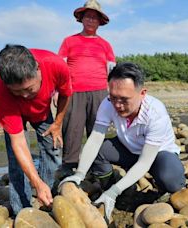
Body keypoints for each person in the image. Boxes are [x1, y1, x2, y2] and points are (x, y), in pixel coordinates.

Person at [59, 62, 185, 221]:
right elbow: (95, 138)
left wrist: (114, 191)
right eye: (113, 97)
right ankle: (112, 186)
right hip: (127, 150)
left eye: (124, 99)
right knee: (97, 150)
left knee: (172, 181)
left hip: (157, 154)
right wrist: (79, 174)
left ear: (142, 93)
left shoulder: (156, 113)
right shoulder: (108, 103)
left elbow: (145, 161)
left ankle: (127, 190)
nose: (117, 105)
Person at [0, 44, 71, 214]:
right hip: (8, 107)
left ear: (38, 70)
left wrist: (57, 124)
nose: (24, 96)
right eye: (17, 91)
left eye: (29, 89)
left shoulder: (56, 65)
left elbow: (66, 93)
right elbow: (19, 143)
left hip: (41, 108)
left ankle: (48, 196)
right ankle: (22, 210)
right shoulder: (1, 91)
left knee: (53, 147)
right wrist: (35, 183)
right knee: (16, 160)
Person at [58, 0, 116, 172]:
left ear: (99, 22)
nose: (91, 20)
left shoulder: (105, 44)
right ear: (81, 19)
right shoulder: (69, 41)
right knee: (72, 130)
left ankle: (97, 165)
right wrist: (57, 91)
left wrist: (113, 92)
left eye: (94, 18)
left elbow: (112, 70)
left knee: (97, 129)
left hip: (99, 92)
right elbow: (60, 67)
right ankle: (69, 165)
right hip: (73, 92)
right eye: (88, 17)